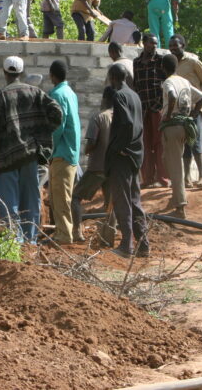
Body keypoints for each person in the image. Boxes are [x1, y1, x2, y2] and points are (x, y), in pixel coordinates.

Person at [0, 56, 62, 242]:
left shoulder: (0, 96)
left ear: (5, 72)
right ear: (21, 72)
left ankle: (13, 243)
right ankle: (30, 241)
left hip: (6, 159)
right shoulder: (35, 92)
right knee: (30, 200)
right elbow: (57, 113)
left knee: (8, 203)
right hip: (30, 157)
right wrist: (42, 134)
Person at [105, 64, 149, 259]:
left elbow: (127, 123)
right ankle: (143, 245)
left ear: (113, 77)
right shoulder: (135, 95)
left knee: (122, 200)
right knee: (134, 200)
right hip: (136, 155)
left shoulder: (119, 96)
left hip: (123, 157)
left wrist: (119, 148)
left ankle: (126, 245)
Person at [160, 54, 202, 219]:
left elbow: (172, 96)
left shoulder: (168, 82)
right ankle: (176, 197)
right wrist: (192, 115)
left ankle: (180, 207)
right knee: (168, 159)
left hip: (172, 126)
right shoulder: (184, 81)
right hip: (184, 126)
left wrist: (167, 116)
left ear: (163, 68)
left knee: (175, 165)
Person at [70, 88, 114, 242]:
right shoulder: (120, 117)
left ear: (104, 99)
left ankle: (77, 232)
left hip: (97, 167)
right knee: (110, 203)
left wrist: (87, 150)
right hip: (112, 168)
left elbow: (92, 142)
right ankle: (108, 236)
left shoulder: (98, 117)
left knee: (75, 197)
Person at [169, 35, 202, 189]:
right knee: (186, 144)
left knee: (196, 142)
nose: (173, 48)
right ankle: (187, 178)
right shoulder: (172, 63)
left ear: (183, 45)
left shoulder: (193, 61)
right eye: (171, 46)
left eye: (176, 45)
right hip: (181, 109)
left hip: (196, 107)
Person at [47, 60, 81, 245]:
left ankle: (64, 235)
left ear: (52, 75)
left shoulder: (57, 94)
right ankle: (66, 232)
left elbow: (57, 125)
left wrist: (49, 148)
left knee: (60, 198)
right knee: (62, 196)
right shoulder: (70, 93)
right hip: (71, 151)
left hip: (62, 152)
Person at [133, 34, 169, 188]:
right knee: (145, 144)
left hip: (157, 108)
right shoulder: (136, 63)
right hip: (143, 108)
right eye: (151, 43)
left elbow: (166, 83)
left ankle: (162, 178)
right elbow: (136, 85)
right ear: (144, 43)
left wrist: (160, 104)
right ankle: (148, 178)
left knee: (159, 143)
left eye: (155, 43)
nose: (153, 46)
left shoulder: (161, 60)